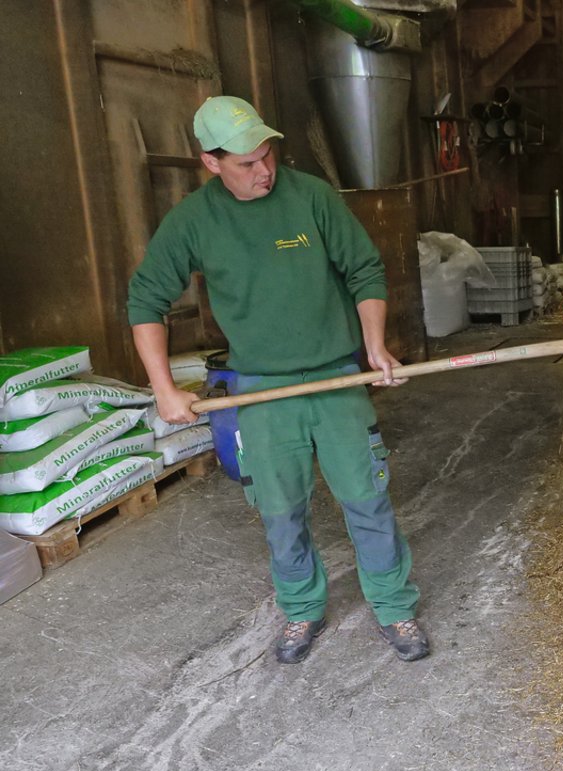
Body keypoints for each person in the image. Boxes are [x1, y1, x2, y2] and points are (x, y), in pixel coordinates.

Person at [127, 95, 429, 664]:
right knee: (280, 509)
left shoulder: (311, 197)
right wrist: (164, 388)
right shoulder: (193, 220)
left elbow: (363, 268)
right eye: (245, 162)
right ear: (210, 163)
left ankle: (394, 606)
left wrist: (373, 347)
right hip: (263, 389)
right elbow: (145, 300)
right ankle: (301, 608)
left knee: (367, 497)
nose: (263, 169)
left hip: (337, 378)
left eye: (267, 154)